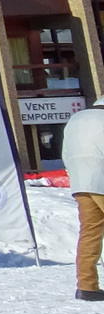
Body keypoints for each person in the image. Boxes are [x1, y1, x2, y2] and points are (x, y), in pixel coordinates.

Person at [63, 100, 104, 302]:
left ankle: (87, 286)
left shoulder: (76, 119)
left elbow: (65, 153)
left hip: (81, 182)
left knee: (90, 233)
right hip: (102, 179)